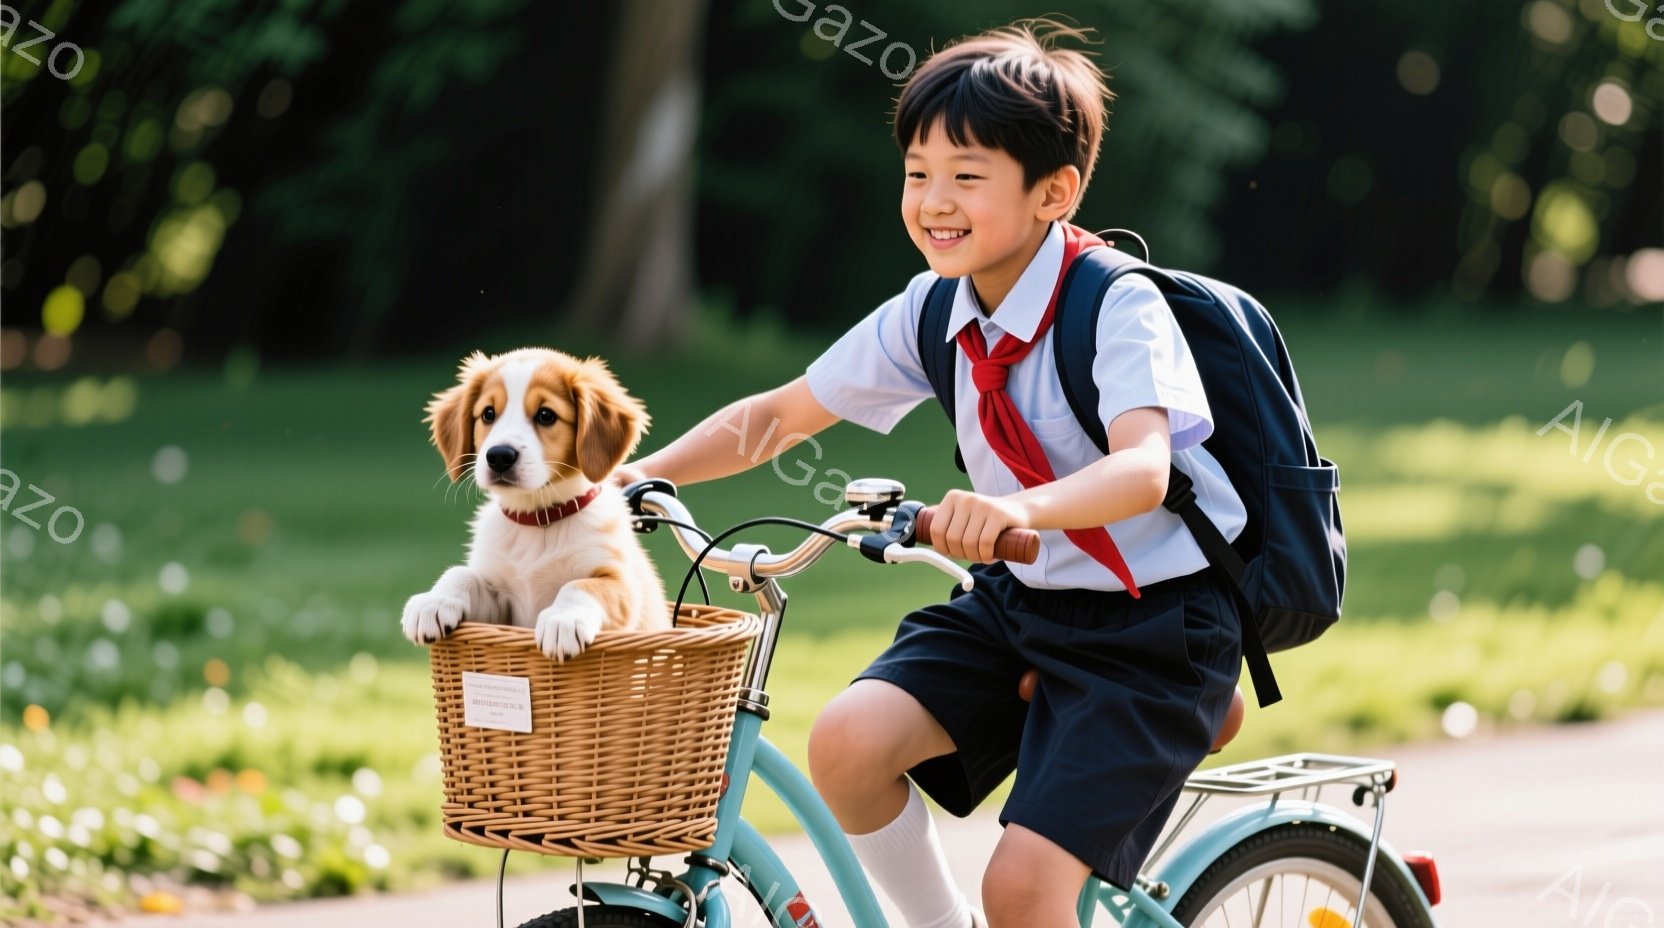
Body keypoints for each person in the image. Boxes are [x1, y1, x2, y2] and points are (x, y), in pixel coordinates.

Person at [615, 18, 1245, 928]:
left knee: (1022, 890)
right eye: (918, 174)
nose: (933, 201)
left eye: (967, 176)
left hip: (1156, 627)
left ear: (1054, 192)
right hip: (1023, 601)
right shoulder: (931, 311)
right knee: (847, 744)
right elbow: (781, 416)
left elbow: (1143, 470)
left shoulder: (1116, 303)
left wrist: (1013, 509)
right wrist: (641, 474)